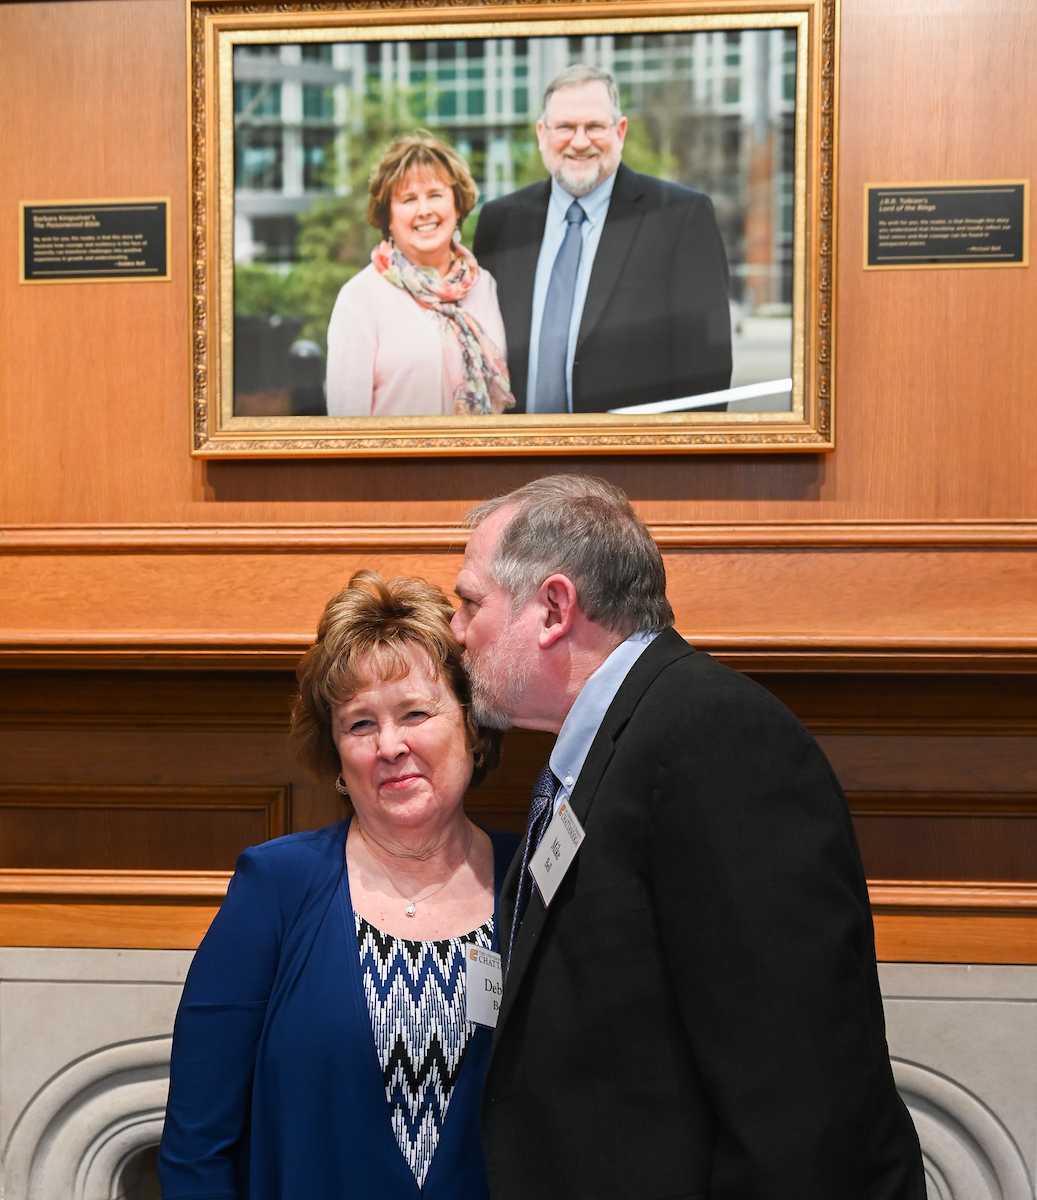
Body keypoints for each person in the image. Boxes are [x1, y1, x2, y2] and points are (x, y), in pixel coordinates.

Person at [450, 475, 926, 1200]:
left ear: (552, 607)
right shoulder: (610, 744)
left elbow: (796, 1089)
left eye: (469, 602)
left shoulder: (712, 736)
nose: (456, 630)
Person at [158, 570, 517, 1200]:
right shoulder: (275, 887)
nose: (390, 745)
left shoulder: (531, 886)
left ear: (471, 723)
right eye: (359, 725)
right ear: (336, 752)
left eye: (416, 712)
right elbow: (196, 1147)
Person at [473, 65, 733, 414]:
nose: (580, 142)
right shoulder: (500, 222)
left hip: (631, 461)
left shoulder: (681, 217)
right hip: (516, 462)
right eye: (565, 127)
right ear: (541, 133)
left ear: (620, 131)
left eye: (594, 126)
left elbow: (706, 373)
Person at [326, 133, 514, 417]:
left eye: (435, 195)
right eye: (408, 199)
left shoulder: (483, 285)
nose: (424, 211)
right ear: (388, 215)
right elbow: (345, 428)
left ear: (457, 206)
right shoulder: (361, 297)